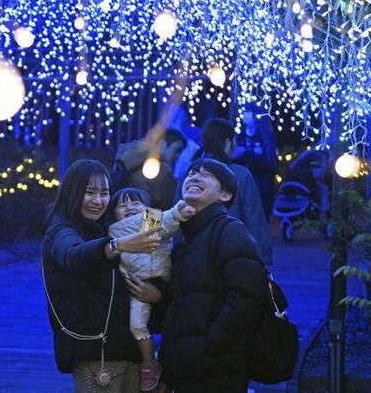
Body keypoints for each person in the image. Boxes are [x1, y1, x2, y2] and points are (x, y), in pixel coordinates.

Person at [42, 159, 165, 392]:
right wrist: (117, 246)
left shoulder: (105, 228)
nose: (98, 201)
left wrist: (157, 295)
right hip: (95, 355)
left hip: (129, 351)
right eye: (90, 193)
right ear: (73, 192)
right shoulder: (61, 231)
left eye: (104, 193)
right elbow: (74, 256)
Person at [160, 159, 269, 393]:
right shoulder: (184, 238)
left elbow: (247, 298)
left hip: (218, 372)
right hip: (186, 372)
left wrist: (210, 346)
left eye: (206, 175)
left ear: (226, 195)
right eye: (191, 173)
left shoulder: (231, 231)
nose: (194, 177)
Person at [107, 189, 196, 391]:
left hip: (158, 282)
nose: (129, 208)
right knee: (136, 325)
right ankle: (149, 363)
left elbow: (165, 222)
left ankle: (159, 366)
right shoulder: (113, 232)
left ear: (147, 208)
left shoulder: (150, 220)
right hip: (135, 288)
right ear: (113, 214)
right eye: (122, 206)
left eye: (136, 203)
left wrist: (179, 212)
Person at [186, 118, 273, 265]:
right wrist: (262, 258)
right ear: (227, 143)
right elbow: (254, 218)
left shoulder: (189, 174)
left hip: (193, 254)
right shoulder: (240, 175)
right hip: (232, 251)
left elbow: (176, 214)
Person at [114, 128, 186, 211]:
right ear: (162, 144)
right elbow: (169, 207)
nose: (178, 156)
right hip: (148, 218)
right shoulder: (164, 169)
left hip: (121, 214)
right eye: (177, 150)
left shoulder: (127, 156)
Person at [233, 106, 279, 220]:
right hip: (246, 174)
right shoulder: (241, 135)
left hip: (262, 175)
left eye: (248, 112)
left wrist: (248, 154)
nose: (245, 115)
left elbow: (269, 158)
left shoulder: (265, 135)